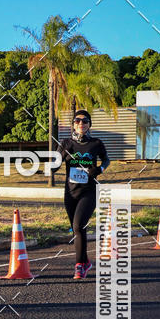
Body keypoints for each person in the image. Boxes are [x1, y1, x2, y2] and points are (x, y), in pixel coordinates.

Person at [56, 109, 110, 279]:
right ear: (73, 124)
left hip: (89, 192)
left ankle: (79, 265)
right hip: (70, 192)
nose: (81, 123)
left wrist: (100, 169)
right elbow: (55, 164)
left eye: (85, 121)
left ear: (89, 124)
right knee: (77, 229)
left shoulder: (96, 143)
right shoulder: (66, 143)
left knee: (79, 226)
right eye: (77, 121)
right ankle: (85, 261)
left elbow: (106, 159)